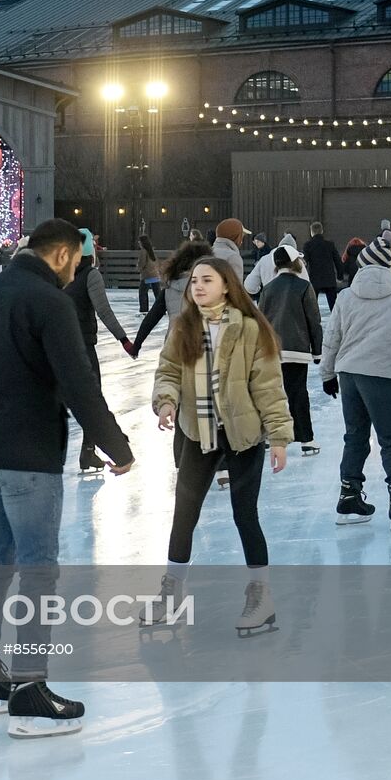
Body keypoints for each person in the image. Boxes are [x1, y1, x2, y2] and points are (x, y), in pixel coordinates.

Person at [0, 218, 134, 737]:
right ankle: (27, 689)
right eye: (78, 260)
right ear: (63, 255)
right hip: (28, 460)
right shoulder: (51, 303)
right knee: (39, 570)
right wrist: (118, 446)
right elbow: (78, 385)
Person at [150, 256, 292, 637]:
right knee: (184, 512)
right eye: (194, 280)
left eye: (206, 280)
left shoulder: (248, 329)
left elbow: (268, 387)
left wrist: (278, 436)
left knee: (244, 514)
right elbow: (168, 371)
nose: (197, 286)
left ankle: (261, 597)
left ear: (227, 285)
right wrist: (166, 400)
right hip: (198, 433)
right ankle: (172, 592)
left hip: (242, 434)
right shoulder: (183, 327)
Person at [320, 237, 391, 532]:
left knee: (355, 436)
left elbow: (332, 338)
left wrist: (327, 374)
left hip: (349, 376)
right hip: (380, 377)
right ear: (388, 265)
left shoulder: (345, 297)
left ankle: (349, 497)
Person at [66, 228, 133, 472]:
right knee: (92, 399)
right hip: (82, 346)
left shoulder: (59, 273)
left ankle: (87, 451)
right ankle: (94, 449)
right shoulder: (90, 275)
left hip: (59, 345)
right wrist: (124, 339)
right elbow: (103, 310)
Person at [257, 246, 322, 456]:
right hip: (297, 350)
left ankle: (269, 436)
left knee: (272, 394)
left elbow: (261, 320)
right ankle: (306, 439)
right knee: (298, 394)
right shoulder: (304, 286)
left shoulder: (268, 288)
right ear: (295, 262)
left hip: (272, 350)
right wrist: (317, 350)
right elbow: (314, 320)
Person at [130, 239, 213, 356]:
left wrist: (136, 345)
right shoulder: (209, 289)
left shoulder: (169, 288)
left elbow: (152, 317)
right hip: (201, 347)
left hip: (172, 344)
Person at [243, 233, 309, 298]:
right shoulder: (298, 262)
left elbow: (250, 285)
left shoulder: (264, 260)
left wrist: (260, 290)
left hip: (269, 300)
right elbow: (306, 287)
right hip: (293, 302)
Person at [301, 222, 344, 313]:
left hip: (314, 279)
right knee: (334, 308)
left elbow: (304, 262)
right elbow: (338, 261)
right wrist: (340, 276)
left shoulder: (308, 245)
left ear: (311, 232)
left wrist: (303, 278)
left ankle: (314, 324)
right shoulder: (330, 245)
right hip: (329, 279)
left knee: (312, 308)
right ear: (322, 231)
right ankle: (337, 325)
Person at [136, 235, 162, 313]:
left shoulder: (143, 251)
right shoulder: (151, 250)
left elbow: (142, 263)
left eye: (139, 241)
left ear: (142, 242)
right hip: (155, 275)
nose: (138, 243)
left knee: (142, 293)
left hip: (147, 276)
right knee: (157, 294)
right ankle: (161, 309)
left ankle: (144, 310)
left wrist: (138, 268)